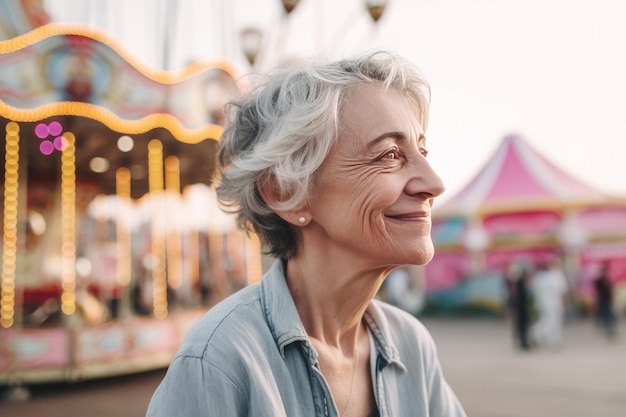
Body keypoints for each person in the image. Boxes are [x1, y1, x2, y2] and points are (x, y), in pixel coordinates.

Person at [146, 51, 466, 417]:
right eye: (389, 154)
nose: (434, 183)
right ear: (285, 192)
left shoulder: (411, 345)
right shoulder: (219, 361)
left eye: (421, 150)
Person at [529, 259, 568, 350]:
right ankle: (537, 334)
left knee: (549, 321)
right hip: (555, 304)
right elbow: (562, 292)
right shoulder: (557, 276)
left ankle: (553, 342)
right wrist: (564, 303)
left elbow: (533, 291)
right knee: (552, 322)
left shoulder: (538, 278)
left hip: (542, 304)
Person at [593, 261, 618, 339]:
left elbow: (610, 291)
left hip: (607, 300)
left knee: (611, 316)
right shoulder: (599, 280)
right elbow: (599, 289)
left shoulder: (607, 280)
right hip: (602, 300)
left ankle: (610, 330)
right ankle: (609, 330)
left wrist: (611, 287)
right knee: (607, 316)